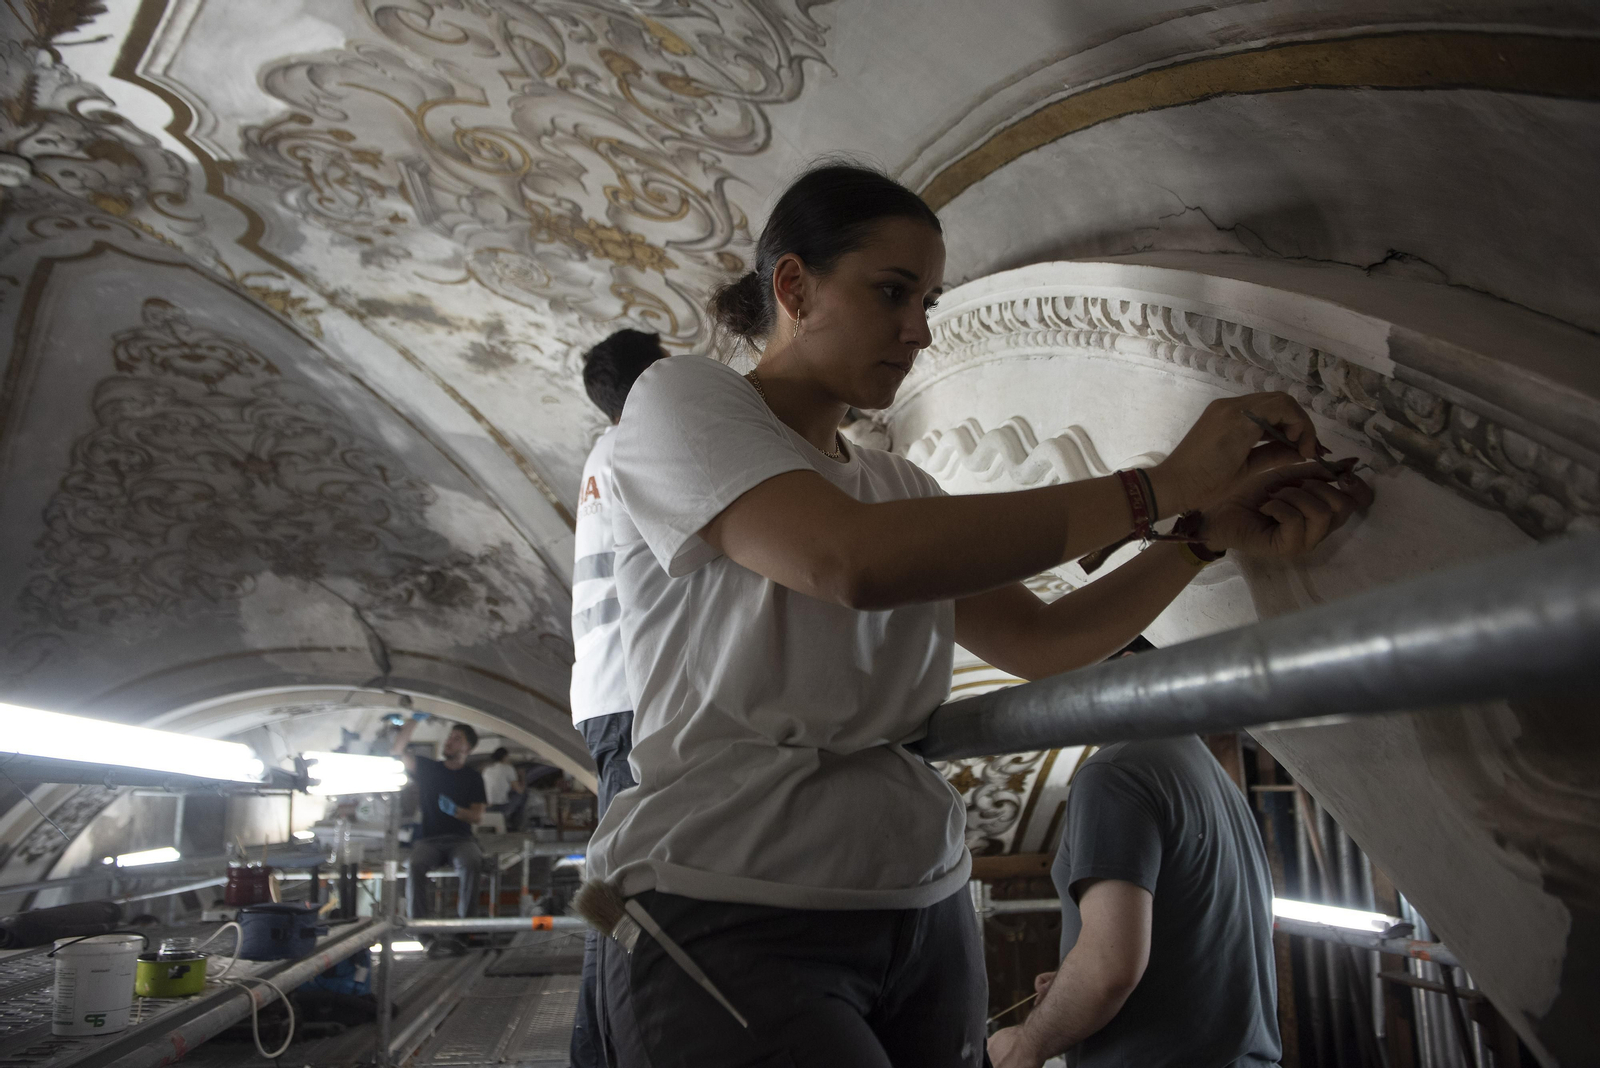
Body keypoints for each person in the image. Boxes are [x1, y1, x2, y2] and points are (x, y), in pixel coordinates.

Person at [589, 162, 1372, 1066]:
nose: (919, 329)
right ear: (794, 286)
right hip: (729, 901)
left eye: (929, 300)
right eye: (892, 293)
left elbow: (1041, 642)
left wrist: (1200, 539)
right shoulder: (680, 399)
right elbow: (848, 562)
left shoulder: (899, 484)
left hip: (923, 908)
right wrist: (1162, 486)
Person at [569, 327, 668, 1068]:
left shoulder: (604, 454)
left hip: (610, 690)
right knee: (625, 885)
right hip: (633, 692)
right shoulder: (642, 443)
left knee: (621, 873)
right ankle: (603, 1054)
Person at [391, 718, 488, 927]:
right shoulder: (429, 769)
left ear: (467, 748)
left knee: (472, 862)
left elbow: (477, 816)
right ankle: (421, 930)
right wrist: (412, 722)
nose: (449, 741)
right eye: (449, 737)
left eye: (456, 738)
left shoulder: (473, 778)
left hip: (461, 840)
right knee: (415, 864)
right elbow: (398, 751)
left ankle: (465, 928)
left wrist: (456, 811)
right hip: (430, 840)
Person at [481, 746, 524, 827]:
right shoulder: (508, 768)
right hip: (500, 808)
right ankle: (517, 825)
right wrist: (522, 776)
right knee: (523, 795)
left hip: (487, 807)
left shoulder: (487, 769)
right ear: (505, 757)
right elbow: (519, 790)